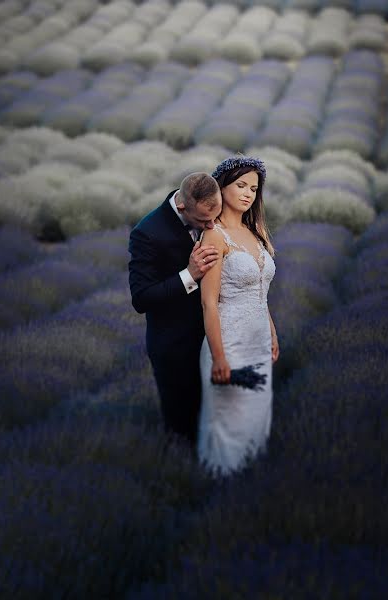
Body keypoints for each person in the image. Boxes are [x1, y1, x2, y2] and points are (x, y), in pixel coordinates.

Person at [128, 172, 223, 446]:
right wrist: (189, 275)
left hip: (217, 339)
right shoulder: (146, 233)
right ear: (182, 206)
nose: (212, 225)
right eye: (204, 220)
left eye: (215, 216)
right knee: (182, 428)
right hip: (175, 347)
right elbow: (141, 299)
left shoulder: (208, 210)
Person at [198, 156, 278, 476]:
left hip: (258, 345)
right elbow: (209, 303)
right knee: (229, 427)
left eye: (254, 189)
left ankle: (249, 501)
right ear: (222, 187)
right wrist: (219, 357)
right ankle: (215, 498)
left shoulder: (255, 232)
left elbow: (261, 294)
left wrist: (272, 333)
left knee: (256, 425)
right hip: (228, 344)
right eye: (241, 185)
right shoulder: (214, 235)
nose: (248, 194)